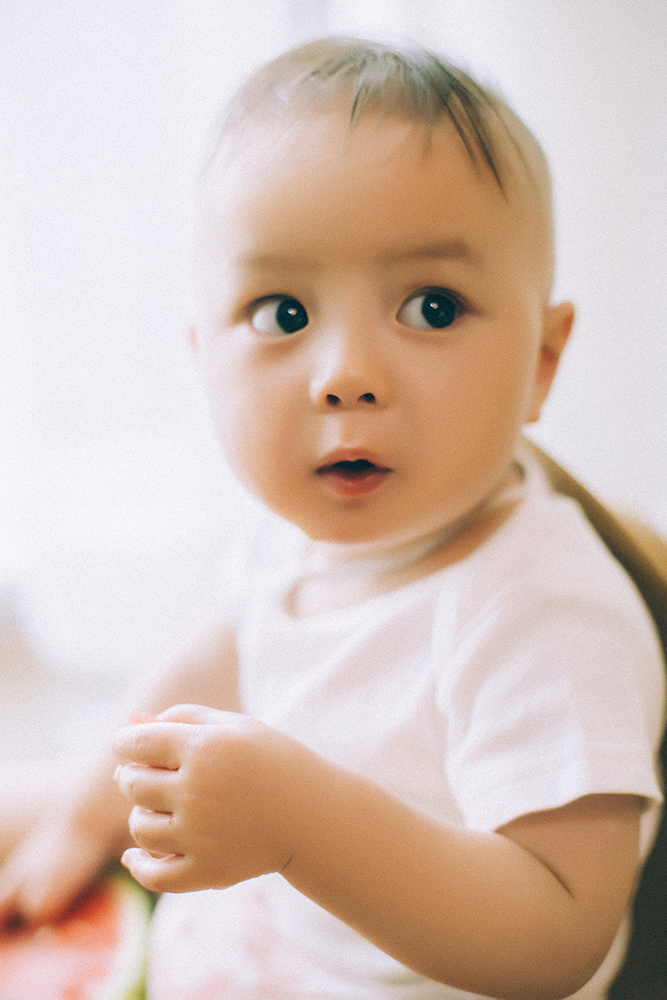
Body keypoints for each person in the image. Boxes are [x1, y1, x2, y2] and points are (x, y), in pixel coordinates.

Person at [0, 37, 663, 1000]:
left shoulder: (544, 614)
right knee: (40, 789)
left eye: (432, 307)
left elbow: (554, 938)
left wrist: (300, 823)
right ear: (201, 355)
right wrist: (87, 806)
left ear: (542, 361)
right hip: (264, 936)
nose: (346, 373)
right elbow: (227, 650)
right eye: (281, 314)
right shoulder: (302, 529)